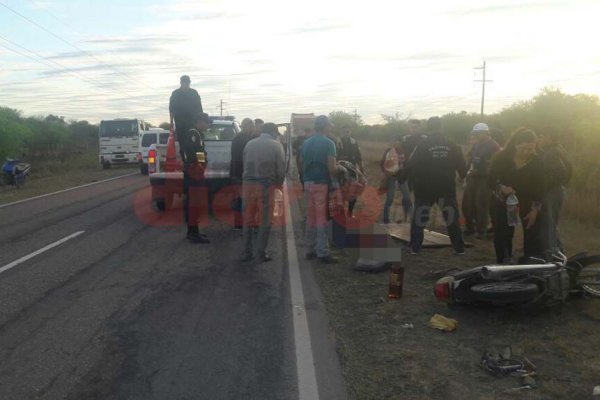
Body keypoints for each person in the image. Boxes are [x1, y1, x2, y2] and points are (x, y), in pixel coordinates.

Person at [408, 117, 467, 255]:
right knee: (451, 219)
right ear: (441, 128)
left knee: (419, 218)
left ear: (428, 128)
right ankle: (459, 248)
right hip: (446, 188)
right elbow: (463, 167)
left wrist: (413, 181)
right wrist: (461, 177)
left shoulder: (422, 145)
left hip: (424, 188)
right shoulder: (452, 145)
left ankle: (415, 248)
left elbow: (412, 164)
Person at [488, 128, 545, 264]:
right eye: (523, 149)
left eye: (531, 149)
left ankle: (530, 263)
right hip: (504, 201)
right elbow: (491, 180)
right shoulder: (502, 158)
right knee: (503, 232)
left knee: (532, 232)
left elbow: (540, 188)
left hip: (527, 201)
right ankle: (503, 261)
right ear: (515, 145)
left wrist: (535, 210)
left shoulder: (537, 162)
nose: (527, 152)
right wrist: (502, 187)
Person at [241, 123, 286, 262]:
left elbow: (244, 163)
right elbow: (281, 168)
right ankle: (261, 253)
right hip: (266, 185)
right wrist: (278, 185)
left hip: (248, 184)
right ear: (273, 132)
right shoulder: (276, 145)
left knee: (248, 219)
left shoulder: (249, 144)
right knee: (265, 220)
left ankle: (246, 252)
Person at [302, 115, 338, 264]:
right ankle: (322, 251)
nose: (331, 128)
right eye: (329, 125)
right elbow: (332, 168)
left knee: (311, 217)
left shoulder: (306, 142)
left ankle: (309, 249)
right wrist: (339, 170)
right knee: (321, 218)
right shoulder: (329, 143)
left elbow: (301, 162)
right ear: (325, 127)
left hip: (308, 182)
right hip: (321, 183)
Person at [538, 126, 572, 259]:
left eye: (543, 136)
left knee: (548, 225)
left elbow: (561, 172)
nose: (541, 139)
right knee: (551, 224)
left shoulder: (552, 153)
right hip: (556, 190)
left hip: (550, 192)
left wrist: (542, 186)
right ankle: (559, 253)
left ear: (550, 138)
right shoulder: (558, 150)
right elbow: (568, 171)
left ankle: (552, 256)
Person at [462, 123, 501, 239]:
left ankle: (481, 230)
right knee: (467, 204)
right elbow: (471, 159)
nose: (476, 136)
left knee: (481, 204)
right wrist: (466, 171)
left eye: (477, 133)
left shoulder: (494, 146)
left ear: (485, 133)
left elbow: (494, 166)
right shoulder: (477, 145)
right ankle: (470, 227)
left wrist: (479, 171)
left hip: (485, 180)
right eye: (475, 134)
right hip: (473, 178)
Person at [181, 112, 211, 244]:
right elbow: (193, 152)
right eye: (206, 123)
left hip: (194, 170)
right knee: (193, 203)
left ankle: (194, 230)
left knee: (196, 203)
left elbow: (198, 152)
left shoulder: (197, 134)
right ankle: (192, 232)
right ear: (200, 121)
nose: (207, 126)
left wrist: (202, 164)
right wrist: (201, 165)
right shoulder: (193, 134)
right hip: (193, 171)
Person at [230, 118, 255, 230]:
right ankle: (241, 224)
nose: (253, 129)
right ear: (246, 126)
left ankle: (240, 223)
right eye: (251, 126)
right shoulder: (242, 139)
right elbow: (243, 158)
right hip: (241, 174)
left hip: (238, 173)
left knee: (241, 199)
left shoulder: (241, 138)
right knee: (242, 199)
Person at [169, 75, 203, 159]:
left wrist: (200, 122)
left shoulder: (194, 93)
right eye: (185, 83)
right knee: (183, 145)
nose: (187, 84)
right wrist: (171, 122)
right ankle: (186, 162)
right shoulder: (175, 94)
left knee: (198, 144)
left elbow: (200, 109)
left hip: (193, 123)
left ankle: (201, 162)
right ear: (181, 83)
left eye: (188, 83)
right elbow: (171, 109)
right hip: (180, 124)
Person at [380, 134, 410, 223]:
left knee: (407, 198)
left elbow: (408, 164)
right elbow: (382, 163)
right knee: (389, 199)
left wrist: (403, 173)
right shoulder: (388, 151)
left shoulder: (404, 151)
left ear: (400, 142)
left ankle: (405, 218)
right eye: (393, 141)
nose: (394, 142)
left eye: (396, 140)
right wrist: (387, 172)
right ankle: (386, 220)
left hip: (402, 178)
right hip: (391, 178)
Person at [336, 126, 364, 217]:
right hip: (340, 171)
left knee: (353, 192)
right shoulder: (337, 142)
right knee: (341, 192)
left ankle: (350, 212)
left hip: (352, 171)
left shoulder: (354, 142)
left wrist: (361, 169)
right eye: (344, 131)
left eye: (348, 131)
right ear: (341, 132)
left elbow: (358, 156)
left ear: (350, 132)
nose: (346, 133)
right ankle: (341, 213)